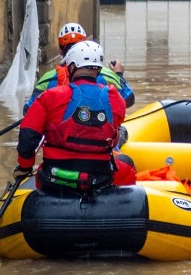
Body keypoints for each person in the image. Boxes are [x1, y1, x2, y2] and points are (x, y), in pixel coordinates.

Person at [15, 40, 128, 196]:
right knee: (127, 166)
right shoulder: (115, 98)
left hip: (54, 177)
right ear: (98, 69)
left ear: (72, 67)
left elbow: (28, 136)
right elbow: (115, 131)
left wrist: (25, 167)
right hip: (99, 176)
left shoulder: (50, 96)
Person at [26, 22, 134, 110]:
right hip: (99, 131)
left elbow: (28, 110)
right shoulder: (106, 75)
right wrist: (119, 74)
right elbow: (129, 98)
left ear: (60, 50)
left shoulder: (47, 79)